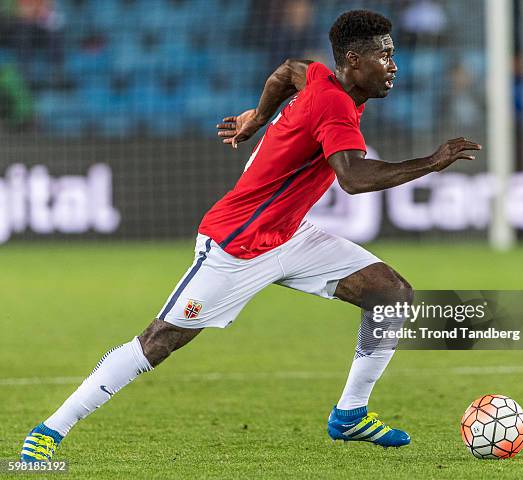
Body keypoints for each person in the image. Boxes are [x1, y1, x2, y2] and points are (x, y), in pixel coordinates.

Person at [20, 9, 481, 461]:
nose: (394, 65)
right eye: (385, 55)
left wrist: (258, 118)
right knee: (158, 342)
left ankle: (350, 413)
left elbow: (287, 71)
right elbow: (354, 179)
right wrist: (431, 161)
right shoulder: (335, 105)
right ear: (355, 61)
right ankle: (48, 431)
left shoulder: (320, 77)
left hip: (290, 237)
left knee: (390, 293)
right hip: (236, 245)